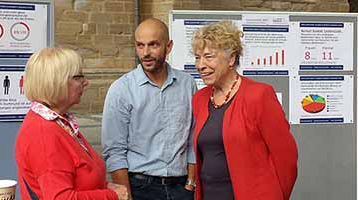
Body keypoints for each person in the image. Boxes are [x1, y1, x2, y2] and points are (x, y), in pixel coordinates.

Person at [190, 20, 298, 200]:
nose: (200, 65)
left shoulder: (258, 95)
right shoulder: (200, 99)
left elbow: (287, 158)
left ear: (231, 59)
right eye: (197, 57)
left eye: (208, 57)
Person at [102, 18, 197, 200]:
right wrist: (126, 196)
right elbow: (114, 150)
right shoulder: (122, 89)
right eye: (140, 45)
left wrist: (191, 183)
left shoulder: (187, 85)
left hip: (182, 188)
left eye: (153, 45)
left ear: (168, 47)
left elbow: (193, 137)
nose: (145, 53)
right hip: (140, 188)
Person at [14, 48, 128, 200]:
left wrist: (104, 186)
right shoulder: (44, 134)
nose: (85, 82)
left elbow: (76, 179)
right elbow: (60, 197)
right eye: (78, 77)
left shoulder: (58, 123)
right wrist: (112, 195)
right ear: (56, 81)